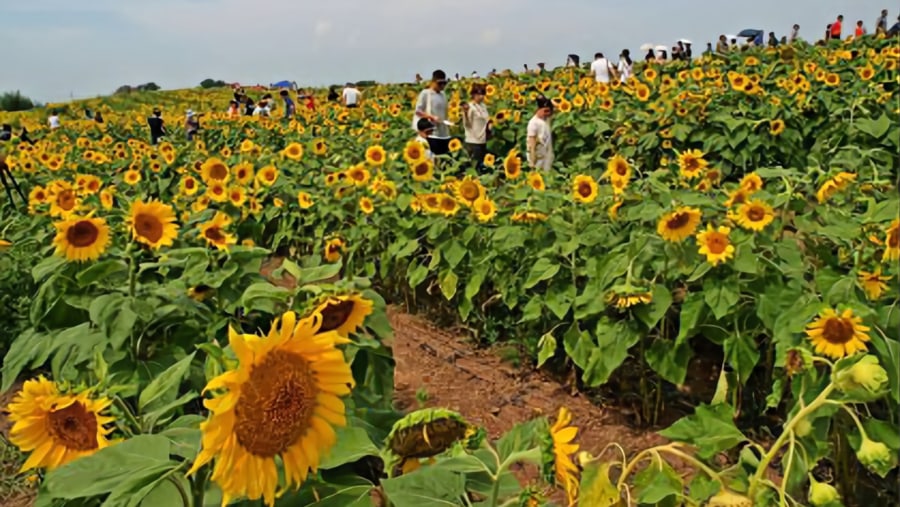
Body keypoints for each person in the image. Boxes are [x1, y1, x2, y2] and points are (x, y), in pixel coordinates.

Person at [461, 83, 490, 172]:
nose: (481, 96)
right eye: (479, 94)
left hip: (483, 140)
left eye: (483, 94)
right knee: (473, 168)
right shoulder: (470, 107)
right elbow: (466, 124)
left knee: (481, 167)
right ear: (473, 94)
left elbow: (487, 119)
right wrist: (465, 113)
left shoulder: (483, 106)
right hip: (473, 141)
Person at [414, 70, 450, 139]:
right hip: (430, 132)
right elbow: (418, 111)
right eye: (440, 83)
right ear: (433, 82)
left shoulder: (443, 95)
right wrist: (431, 117)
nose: (442, 86)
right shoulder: (426, 93)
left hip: (443, 133)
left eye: (444, 83)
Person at [526, 97, 554, 171]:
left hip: (546, 156)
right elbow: (532, 141)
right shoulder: (533, 123)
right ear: (539, 109)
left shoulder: (545, 120)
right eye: (545, 111)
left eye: (549, 111)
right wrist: (532, 160)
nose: (547, 113)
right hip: (538, 158)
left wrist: (551, 101)